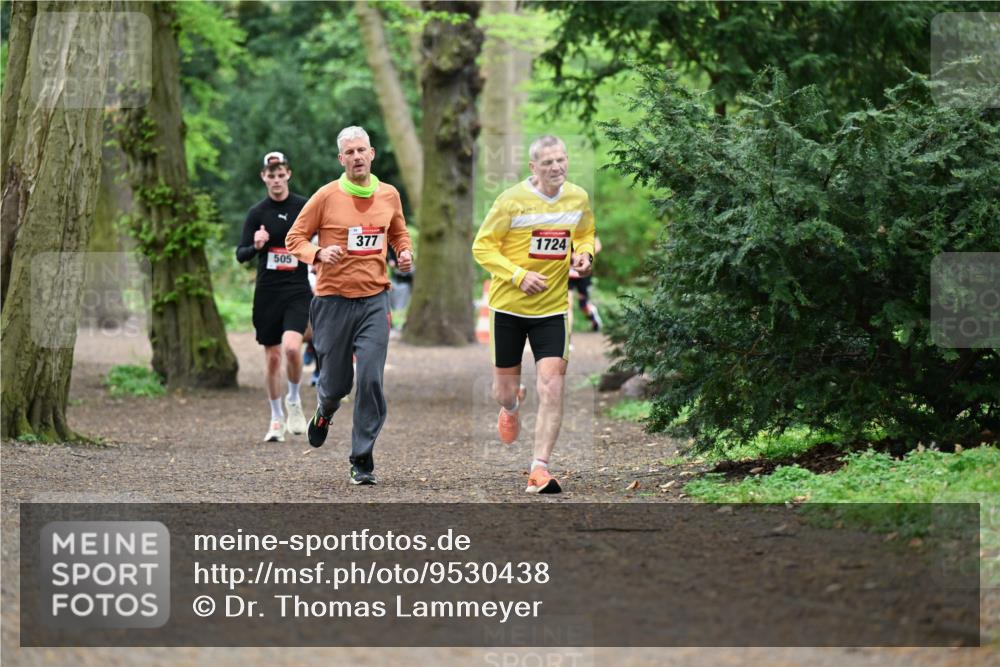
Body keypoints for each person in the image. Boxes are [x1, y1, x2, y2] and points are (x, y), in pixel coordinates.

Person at [286, 126, 413, 486]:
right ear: (341, 159)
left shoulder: (389, 194)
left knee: (371, 378)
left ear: (372, 153)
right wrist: (318, 253)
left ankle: (361, 458)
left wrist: (404, 252)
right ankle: (325, 409)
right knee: (337, 383)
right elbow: (294, 237)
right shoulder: (326, 196)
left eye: (362, 150)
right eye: (349, 152)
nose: (357, 157)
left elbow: (399, 233)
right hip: (332, 301)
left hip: (374, 299)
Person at [472, 135, 596, 494]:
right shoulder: (511, 201)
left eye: (561, 160)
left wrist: (584, 255)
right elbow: (482, 246)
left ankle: (539, 469)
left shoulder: (578, 198)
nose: (557, 167)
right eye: (548, 163)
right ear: (533, 167)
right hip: (508, 307)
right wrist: (518, 275)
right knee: (503, 390)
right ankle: (511, 406)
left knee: (553, 384)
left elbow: (585, 234)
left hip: (553, 309)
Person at [236, 151, 311, 442]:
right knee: (272, 359)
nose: (276, 180)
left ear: (288, 174)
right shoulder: (257, 213)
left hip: (296, 290)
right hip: (267, 292)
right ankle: (276, 418)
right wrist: (256, 245)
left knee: (292, 349)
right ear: (263, 177)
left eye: (281, 175)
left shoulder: (304, 207)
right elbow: (240, 254)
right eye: (271, 175)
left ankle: (294, 400)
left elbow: (320, 237)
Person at [567, 235, 603, 335]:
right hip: (568, 273)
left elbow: (598, 246)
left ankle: (592, 315)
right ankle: (568, 338)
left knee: (583, 305)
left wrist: (584, 256)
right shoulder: (563, 222)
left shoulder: (587, 223)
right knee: (568, 305)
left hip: (583, 273)